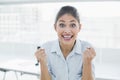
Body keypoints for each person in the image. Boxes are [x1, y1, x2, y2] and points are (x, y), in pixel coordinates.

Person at [35, 5, 96, 80]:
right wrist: (42, 63)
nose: (67, 31)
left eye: (72, 25)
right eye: (62, 25)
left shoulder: (87, 49)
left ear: (79, 27)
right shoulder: (46, 49)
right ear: (55, 27)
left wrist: (87, 62)